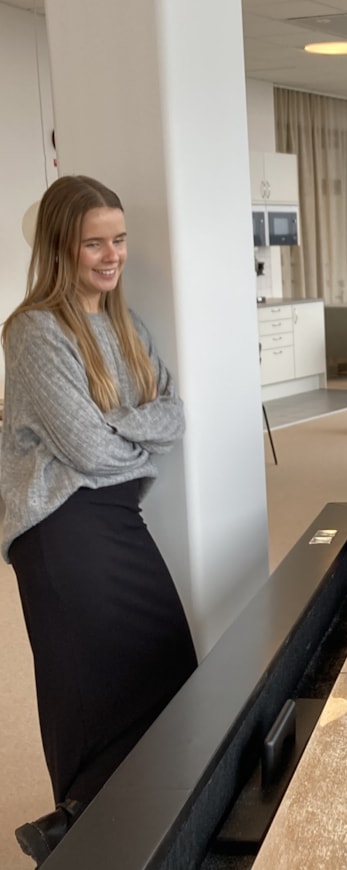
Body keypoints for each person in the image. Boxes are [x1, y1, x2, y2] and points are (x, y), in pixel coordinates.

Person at [1, 175, 197, 864]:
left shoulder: (122, 322)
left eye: (117, 239)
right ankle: (78, 832)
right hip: (58, 529)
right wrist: (122, 434)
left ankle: (88, 825)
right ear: (61, 246)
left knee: (166, 669)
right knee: (89, 693)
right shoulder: (32, 330)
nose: (111, 255)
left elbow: (174, 416)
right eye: (94, 243)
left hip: (115, 518)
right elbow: (83, 449)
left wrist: (113, 424)